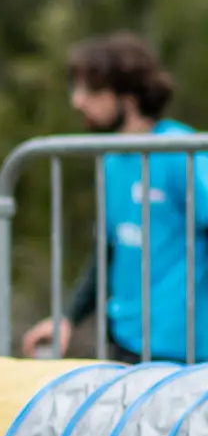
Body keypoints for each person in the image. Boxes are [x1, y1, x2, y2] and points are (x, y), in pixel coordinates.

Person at [19, 33, 208, 363]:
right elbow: (107, 253)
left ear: (128, 98)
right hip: (126, 345)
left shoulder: (180, 151)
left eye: (91, 91)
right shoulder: (111, 159)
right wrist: (68, 319)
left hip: (185, 357)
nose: (78, 101)